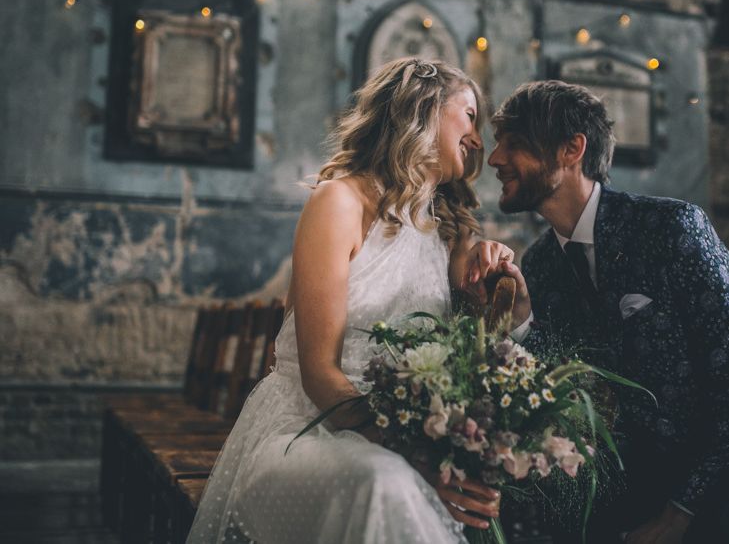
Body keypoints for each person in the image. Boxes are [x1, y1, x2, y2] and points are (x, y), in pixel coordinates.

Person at [186, 58, 515, 544]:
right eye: (469, 115)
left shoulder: (448, 232)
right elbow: (319, 374)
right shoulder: (339, 202)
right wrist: (411, 456)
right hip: (306, 430)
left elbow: (474, 350)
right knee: (382, 481)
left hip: (400, 439)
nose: (479, 140)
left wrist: (495, 268)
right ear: (423, 108)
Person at [485, 80, 729, 543]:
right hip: (606, 517)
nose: (496, 159)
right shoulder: (536, 264)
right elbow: (566, 397)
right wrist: (520, 324)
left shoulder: (671, 229)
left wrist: (683, 511)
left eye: (513, 144)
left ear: (571, 149)